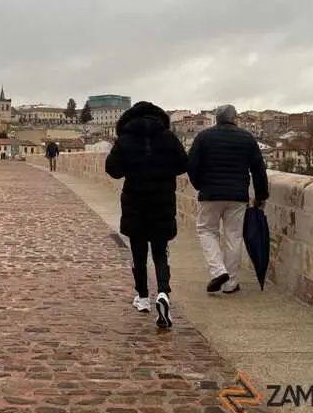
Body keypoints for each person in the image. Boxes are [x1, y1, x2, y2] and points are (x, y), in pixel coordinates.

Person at [105, 101, 189, 328]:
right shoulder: (168, 137)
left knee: (139, 251)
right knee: (161, 251)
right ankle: (163, 292)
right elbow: (183, 164)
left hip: (136, 202)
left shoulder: (126, 139)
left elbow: (113, 170)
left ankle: (143, 297)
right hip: (162, 201)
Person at [187, 104, 269, 294]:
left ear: (217, 118)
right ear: (235, 118)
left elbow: (191, 164)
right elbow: (258, 169)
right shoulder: (246, 138)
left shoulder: (203, 137)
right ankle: (230, 283)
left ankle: (218, 271)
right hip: (237, 195)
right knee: (234, 237)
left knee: (207, 231)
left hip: (210, 194)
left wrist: (200, 185)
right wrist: (261, 195)